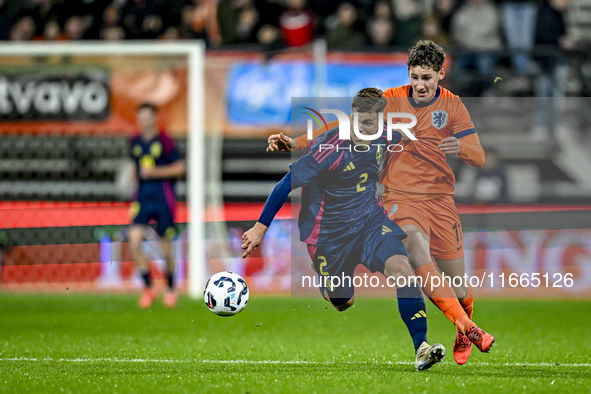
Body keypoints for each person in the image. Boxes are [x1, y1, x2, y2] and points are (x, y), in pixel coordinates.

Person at [267, 40, 494, 365]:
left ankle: (462, 318)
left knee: (458, 287)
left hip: (441, 199)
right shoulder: (390, 100)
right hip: (398, 197)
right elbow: (344, 126)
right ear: (408, 73)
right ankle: (467, 326)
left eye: (427, 78)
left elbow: (480, 156)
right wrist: (298, 143)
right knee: (414, 252)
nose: (419, 84)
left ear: (441, 74)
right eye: (414, 77)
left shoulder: (454, 106)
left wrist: (462, 149)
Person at [243, 88, 446, 371]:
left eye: (370, 124)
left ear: (379, 121)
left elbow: (417, 140)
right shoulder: (330, 148)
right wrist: (259, 228)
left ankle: (421, 346)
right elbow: (285, 184)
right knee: (343, 302)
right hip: (329, 238)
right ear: (352, 117)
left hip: (370, 223)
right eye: (359, 122)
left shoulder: (387, 135)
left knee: (402, 268)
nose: (364, 129)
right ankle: (328, 285)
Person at [128, 102, 186, 309]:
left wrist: (155, 173)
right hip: (142, 197)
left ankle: (170, 288)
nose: (144, 120)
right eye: (141, 117)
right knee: (133, 241)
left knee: (166, 247)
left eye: (148, 116)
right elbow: (135, 168)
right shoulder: (134, 141)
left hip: (163, 198)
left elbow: (180, 167)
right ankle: (148, 287)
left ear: (154, 118)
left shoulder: (165, 141)